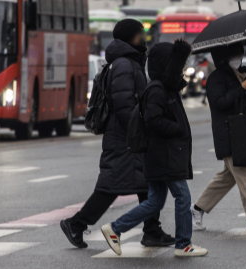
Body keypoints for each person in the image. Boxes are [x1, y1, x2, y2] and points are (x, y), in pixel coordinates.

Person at [61, 19, 174, 249]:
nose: (143, 37)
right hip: (124, 138)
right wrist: (141, 125)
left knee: (145, 182)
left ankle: (152, 230)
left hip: (129, 136)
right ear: (130, 37)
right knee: (110, 187)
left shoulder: (130, 61)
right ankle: (76, 223)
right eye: (139, 34)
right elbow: (124, 105)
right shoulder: (124, 64)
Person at [101, 39, 207, 257]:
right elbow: (153, 121)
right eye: (175, 64)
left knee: (155, 201)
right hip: (164, 155)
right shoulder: (157, 89)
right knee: (183, 197)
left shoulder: (166, 88)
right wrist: (177, 128)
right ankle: (183, 244)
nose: (179, 69)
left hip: (163, 155)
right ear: (165, 65)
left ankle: (115, 228)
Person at [191, 43, 246, 231]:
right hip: (228, 134)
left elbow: (241, 107)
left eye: (241, 54)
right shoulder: (216, 79)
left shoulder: (238, 76)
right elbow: (220, 104)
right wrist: (241, 88)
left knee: (227, 178)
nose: (240, 58)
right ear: (224, 58)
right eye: (236, 54)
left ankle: (197, 208)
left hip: (240, 133)